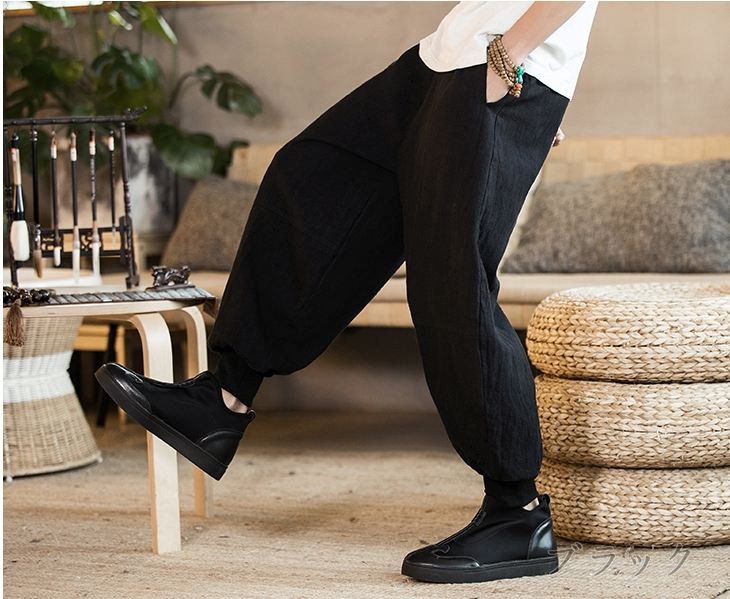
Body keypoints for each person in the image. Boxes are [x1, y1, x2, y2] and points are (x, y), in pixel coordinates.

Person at [96, 0, 599, 584]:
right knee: (309, 179)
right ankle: (222, 400)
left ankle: (518, 513)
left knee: (450, 277)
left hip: (499, 62)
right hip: (445, 58)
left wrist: (515, 60)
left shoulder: (506, 60)